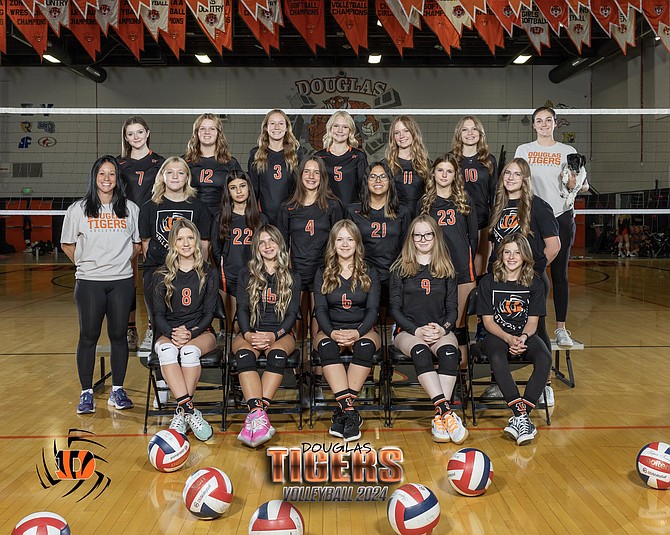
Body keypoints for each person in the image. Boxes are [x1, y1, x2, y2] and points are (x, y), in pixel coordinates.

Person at [61, 155, 140, 414]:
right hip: (89, 282)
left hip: (121, 282)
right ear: (94, 177)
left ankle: (118, 390)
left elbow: (137, 244)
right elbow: (67, 244)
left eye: (112, 174)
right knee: (88, 337)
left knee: (119, 337)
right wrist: (86, 265)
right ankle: (86, 393)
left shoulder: (131, 209)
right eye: (102, 173)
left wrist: (116, 263)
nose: (107, 179)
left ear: (118, 179)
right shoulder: (78, 209)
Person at [486, 157, 560, 405]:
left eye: (517, 174)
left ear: (525, 179)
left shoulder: (537, 206)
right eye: (507, 173)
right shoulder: (498, 206)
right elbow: (492, 244)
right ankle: (498, 384)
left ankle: (544, 386)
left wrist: (529, 273)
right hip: (498, 280)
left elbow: (553, 246)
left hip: (529, 281)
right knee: (496, 333)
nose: (510, 178)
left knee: (537, 333)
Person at [389, 214, 468, 444]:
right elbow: (394, 309)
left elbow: (453, 310)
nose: (423, 239)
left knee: (450, 353)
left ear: (435, 236)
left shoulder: (446, 268)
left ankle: (439, 418)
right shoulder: (400, 268)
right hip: (408, 332)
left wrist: (443, 330)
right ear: (411, 238)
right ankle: (446, 411)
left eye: (428, 234)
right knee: (421, 351)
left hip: (439, 330)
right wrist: (416, 331)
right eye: (418, 235)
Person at [139, 157, 211, 406]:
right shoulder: (150, 207)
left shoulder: (198, 207)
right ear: (162, 176)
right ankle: (162, 385)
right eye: (170, 172)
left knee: (189, 321)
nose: (175, 176)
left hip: (190, 271)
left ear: (186, 177)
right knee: (160, 326)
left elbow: (203, 245)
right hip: (159, 272)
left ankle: (182, 395)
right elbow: (146, 245)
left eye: (180, 172)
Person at [515, 106, 589, 347]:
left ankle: (561, 329)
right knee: (529, 272)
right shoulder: (524, 150)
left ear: (555, 124)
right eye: (539, 120)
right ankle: (527, 325)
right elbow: (517, 179)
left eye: (548, 120)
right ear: (533, 125)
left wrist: (573, 182)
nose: (544, 124)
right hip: (533, 217)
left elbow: (584, 187)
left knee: (559, 274)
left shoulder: (568, 151)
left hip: (561, 216)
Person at [476, 234, 552, 446]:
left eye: (517, 252)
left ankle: (521, 416)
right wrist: (509, 338)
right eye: (507, 251)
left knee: (545, 357)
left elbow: (532, 322)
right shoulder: (489, 282)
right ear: (500, 255)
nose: (511, 257)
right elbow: (488, 321)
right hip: (496, 336)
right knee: (498, 357)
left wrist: (523, 337)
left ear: (525, 256)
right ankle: (522, 416)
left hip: (524, 335)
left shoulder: (534, 283)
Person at [233, 225, 301, 448]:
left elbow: (292, 314)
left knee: (278, 356)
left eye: (272, 241)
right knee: (244, 355)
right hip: (250, 330)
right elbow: (242, 308)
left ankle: (255, 418)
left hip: (281, 332)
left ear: (280, 244)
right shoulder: (246, 273)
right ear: (256, 248)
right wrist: (248, 334)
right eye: (262, 242)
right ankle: (258, 417)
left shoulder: (292, 276)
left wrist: (274, 335)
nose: (268, 246)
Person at [313, 220, 381, 442]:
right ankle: (350, 412)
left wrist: (358, 333)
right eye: (339, 239)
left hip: (362, 329)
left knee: (365, 347)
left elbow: (372, 310)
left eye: (350, 239)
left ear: (357, 243)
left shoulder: (370, 271)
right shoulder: (322, 272)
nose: (344, 244)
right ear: (333, 243)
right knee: (325, 346)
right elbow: (321, 310)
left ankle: (342, 411)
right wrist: (332, 333)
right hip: (331, 329)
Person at [152, 220, 218, 441]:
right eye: (180, 238)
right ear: (173, 243)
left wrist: (191, 333)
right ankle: (188, 410)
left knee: (189, 352)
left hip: (201, 331)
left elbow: (209, 313)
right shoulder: (162, 274)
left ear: (197, 241)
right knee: (166, 351)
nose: (186, 243)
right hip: (170, 331)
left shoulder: (208, 272)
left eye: (190, 237)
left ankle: (181, 413)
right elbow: (158, 316)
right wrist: (172, 333)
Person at [420, 155, 478, 383]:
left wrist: (467, 263)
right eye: (440, 170)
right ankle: (439, 377)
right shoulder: (425, 202)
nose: (444, 175)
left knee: (459, 325)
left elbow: (473, 237)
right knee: (437, 323)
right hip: (435, 272)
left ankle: (460, 377)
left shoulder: (465, 201)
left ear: (456, 175)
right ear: (433, 173)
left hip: (462, 271)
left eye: (449, 171)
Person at [117, 116, 165, 350]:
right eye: (130, 134)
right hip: (126, 225)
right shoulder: (119, 164)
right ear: (125, 137)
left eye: (139, 132)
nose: (135, 137)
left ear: (147, 133)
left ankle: (154, 328)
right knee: (128, 279)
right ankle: (129, 329)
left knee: (153, 279)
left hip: (152, 225)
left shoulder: (160, 162)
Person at [346, 161, 410, 308]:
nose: (378, 181)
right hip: (363, 274)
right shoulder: (353, 211)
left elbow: (406, 248)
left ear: (390, 181)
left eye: (383, 176)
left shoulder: (402, 212)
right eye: (373, 176)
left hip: (393, 275)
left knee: (392, 317)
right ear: (366, 181)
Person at [277, 156, 344, 294]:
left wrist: (333, 268)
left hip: (323, 270)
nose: (311, 176)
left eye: (316, 172)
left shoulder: (332, 205)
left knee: (318, 314)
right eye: (307, 171)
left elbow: (339, 241)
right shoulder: (287, 207)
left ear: (323, 176)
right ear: (300, 175)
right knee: (296, 313)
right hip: (295, 270)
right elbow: (282, 244)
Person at [211, 170, 266, 324]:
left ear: (249, 187)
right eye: (233, 188)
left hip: (256, 276)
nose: (239, 191)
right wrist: (224, 270)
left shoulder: (261, 219)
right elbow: (216, 250)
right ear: (228, 192)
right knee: (233, 326)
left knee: (254, 322)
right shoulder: (221, 218)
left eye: (242, 186)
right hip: (230, 276)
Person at [450, 116, 497, 278]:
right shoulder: (451, 159)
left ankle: (476, 302)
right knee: (457, 268)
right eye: (465, 129)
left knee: (478, 271)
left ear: (480, 133)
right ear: (459, 134)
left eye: (474, 129)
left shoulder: (489, 160)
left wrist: (493, 223)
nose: (470, 133)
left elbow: (495, 194)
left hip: (482, 221)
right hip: (457, 220)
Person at [248, 109, 304, 226]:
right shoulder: (256, 154)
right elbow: (253, 190)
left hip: (291, 215)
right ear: (266, 128)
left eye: (281, 123)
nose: (276, 127)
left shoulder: (297, 154)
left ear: (287, 127)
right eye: (272, 123)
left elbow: (301, 188)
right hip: (265, 216)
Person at [185, 113, 243, 216]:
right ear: (196, 133)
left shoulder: (230, 162)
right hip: (193, 215)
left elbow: (241, 192)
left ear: (218, 133)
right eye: (202, 129)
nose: (207, 132)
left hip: (222, 216)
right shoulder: (185, 162)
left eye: (212, 129)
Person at [315, 110, 368, 207]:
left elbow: (364, 188)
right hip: (326, 210)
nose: (340, 130)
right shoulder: (319, 157)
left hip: (351, 211)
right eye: (336, 126)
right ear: (330, 128)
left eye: (345, 127)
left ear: (350, 130)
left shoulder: (358, 156)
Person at [383, 115, 431, 218]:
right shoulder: (385, 165)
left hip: (419, 219)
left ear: (414, 133)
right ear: (393, 137)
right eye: (397, 133)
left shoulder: (427, 164)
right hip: (394, 219)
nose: (401, 136)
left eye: (406, 131)